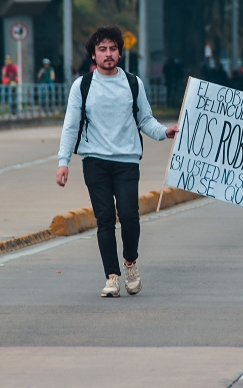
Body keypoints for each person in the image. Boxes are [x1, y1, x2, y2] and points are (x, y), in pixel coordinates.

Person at [56, 26, 178, 298]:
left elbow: (144, 119)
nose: (108, 54)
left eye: (113, 49)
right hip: (94, 161)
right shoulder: (82, 86)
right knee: (104, 220)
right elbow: (71, 126)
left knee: (129, 215)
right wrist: (63, 162)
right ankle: (111, 276)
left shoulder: (133, 83)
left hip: (126, 161)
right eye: (102, 49)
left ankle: (130, 263)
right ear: (93, 54)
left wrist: (164, 132)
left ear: (120, 53)